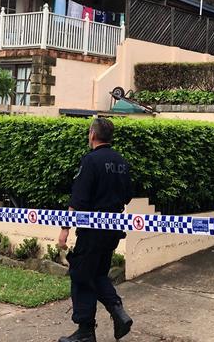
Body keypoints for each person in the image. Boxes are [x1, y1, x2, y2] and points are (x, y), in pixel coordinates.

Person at [57, 118, 134, 342]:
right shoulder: (121, 161)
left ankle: (86, 331)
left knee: (80, 274)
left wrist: (65, 229)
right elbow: (128, 194)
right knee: (97, 274)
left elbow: (78, 199)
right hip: (113, 229)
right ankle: (117, 312)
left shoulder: (90, 161)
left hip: (92, 231)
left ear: (92, 134)